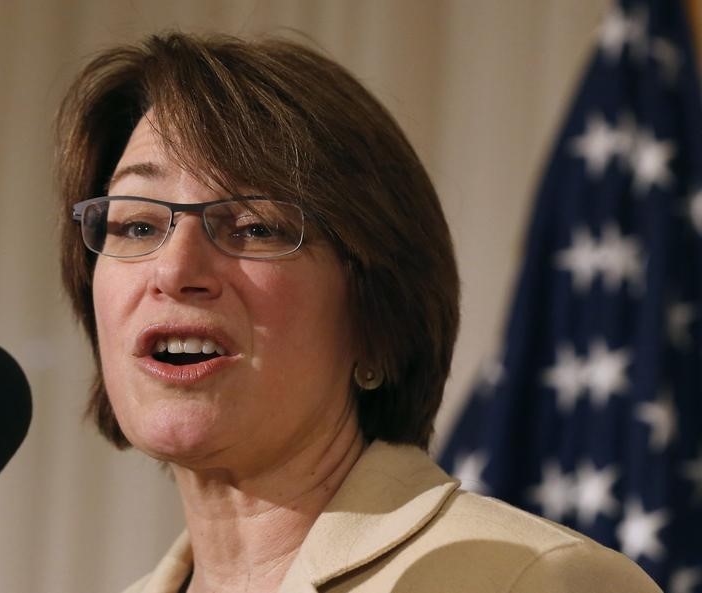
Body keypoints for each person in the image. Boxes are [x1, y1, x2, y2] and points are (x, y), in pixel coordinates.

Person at [55, 32, 662, 593]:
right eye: (137, 225)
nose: (174, 271)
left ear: (377, 320)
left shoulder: (534, 581)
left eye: (254, 226)